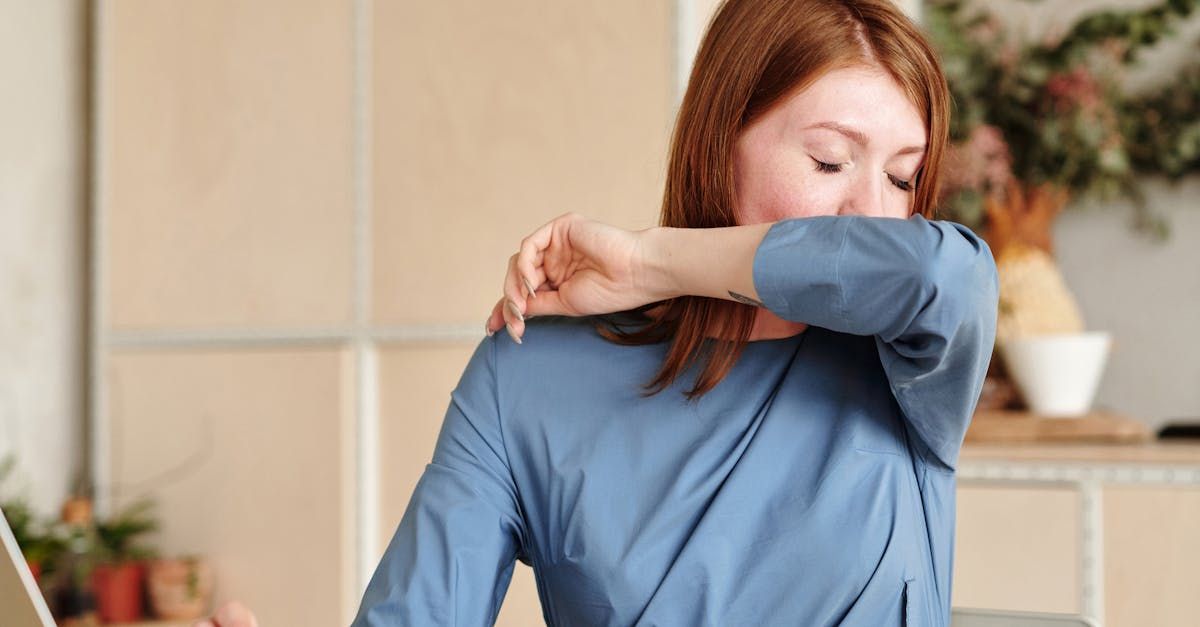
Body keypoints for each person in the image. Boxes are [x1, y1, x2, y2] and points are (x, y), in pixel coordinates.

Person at [353, 0, 998, 625]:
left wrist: (650, 262)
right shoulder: (526, 373)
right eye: (830, 161)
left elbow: (937, 271)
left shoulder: (912, 365)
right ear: (722, 142)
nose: (875, 217)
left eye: (902, 178)